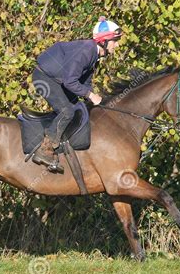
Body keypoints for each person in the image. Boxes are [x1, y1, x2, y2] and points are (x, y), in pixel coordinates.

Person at [31, 16, 123, 171]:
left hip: (58, 79)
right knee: (67, 111)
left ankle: (64, 146)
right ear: (104, 41)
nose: (117, 45)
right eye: (115, 41)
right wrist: (90, 95)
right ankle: (44, 150)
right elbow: (70, 81)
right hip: (45, 77)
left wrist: (94, 98)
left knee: (79, 107)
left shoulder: (95, 56)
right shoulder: (86, 51)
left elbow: (84, 83)